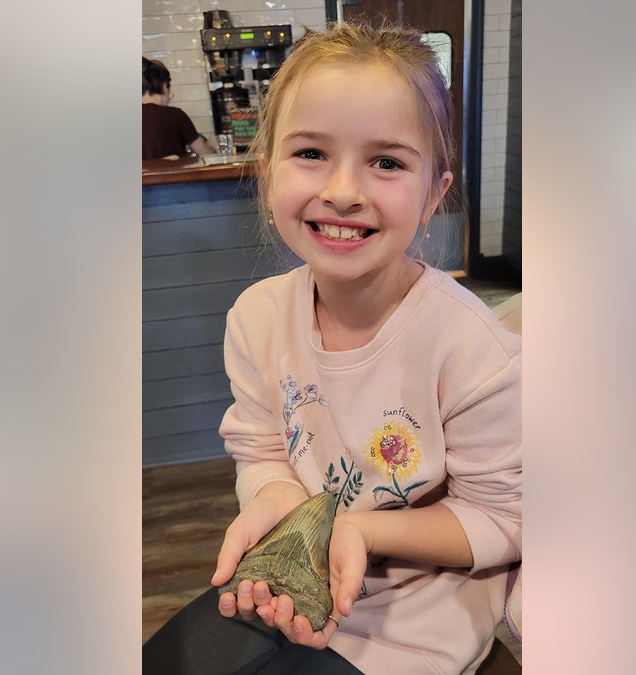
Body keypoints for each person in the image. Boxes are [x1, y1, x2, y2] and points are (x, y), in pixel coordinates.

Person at [142, 22, 521, 674]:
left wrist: (361, 529)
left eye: (387, 162)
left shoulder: (472, 349)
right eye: (311, 153)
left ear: (434, 194)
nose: (343, 190)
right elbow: (262, 450)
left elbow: (503, 518)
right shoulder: (256, 318)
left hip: (415, 619)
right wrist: (275, 507)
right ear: (267, 175)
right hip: (286, 587)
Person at [142, 57, 218, 160]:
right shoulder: (174, 115)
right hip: (171, 176)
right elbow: (206, 154)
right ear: (164, 86)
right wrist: (213, 147)